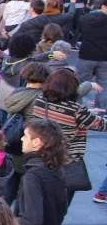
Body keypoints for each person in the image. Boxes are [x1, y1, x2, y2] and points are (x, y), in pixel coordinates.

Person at [32, 68, 107, 203]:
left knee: (41, 200)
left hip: (41, 156)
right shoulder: (76, 110)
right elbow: (101, 125)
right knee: (61, 204)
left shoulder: (40, 102)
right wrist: (89, 114)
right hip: (66, 160)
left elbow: (59, 113)